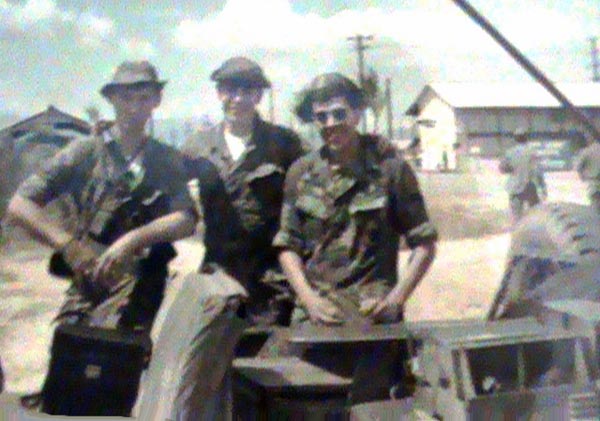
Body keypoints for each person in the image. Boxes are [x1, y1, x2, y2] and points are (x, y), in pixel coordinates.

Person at [4, 61, 232, 415]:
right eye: (126, 98)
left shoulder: (164, 159)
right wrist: (67, 245)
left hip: (142, 287)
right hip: (90, 278)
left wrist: (135, 239)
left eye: (144, 98)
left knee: (122, 385)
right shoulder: (85, 152)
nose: (135, 107)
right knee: (70, 379)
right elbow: (20, 204)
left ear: (156, 101)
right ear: (112, 100)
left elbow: (186, 219)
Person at [136, 57, 305, 420]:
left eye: (247, 90)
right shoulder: (197, 147)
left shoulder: (284, 144)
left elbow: (309, 200)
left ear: (259, 95)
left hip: (270, 283)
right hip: (218, 281)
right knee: (213, 378)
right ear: (218, 93)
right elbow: (164, 198)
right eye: (230, 90)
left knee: (270, 380)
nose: (238, 99)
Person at [274, 72, 437, 327]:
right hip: (316, 315)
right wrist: (308, 299)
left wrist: (396, 300)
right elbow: (287, 246)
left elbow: (424, 243)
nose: (330, 123)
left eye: (339, 114)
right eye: (321, 117)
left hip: (372, 314)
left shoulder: (390, 170)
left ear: (357, 113)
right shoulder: (301, 172)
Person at [499, 128, 547, 225]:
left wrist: (512, 170)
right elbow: (538, 171)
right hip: (530, 187)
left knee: (517, 217)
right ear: (526, 138)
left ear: (515, 139)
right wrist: (543, 187)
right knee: (535, 215)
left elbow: (502, 169)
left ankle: (517, 235)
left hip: (515, 188)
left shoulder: (510, 152)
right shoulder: (532, 152)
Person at [574, 141, 600, 215]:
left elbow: (577, 166)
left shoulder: (586, 151)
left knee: (596, 207)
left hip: (593, 183)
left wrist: (582, 177)